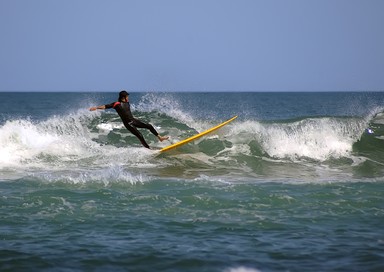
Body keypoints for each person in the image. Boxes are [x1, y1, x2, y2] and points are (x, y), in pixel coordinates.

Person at [89, 90, 168, 149]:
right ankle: (148, 149)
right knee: (140, 135)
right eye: (127, 96)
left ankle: (160, 138)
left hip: (133, 120)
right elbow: (106, 106)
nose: (128, 98)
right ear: (124, 97)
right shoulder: (116, 104)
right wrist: (96, 108)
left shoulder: (127, 103)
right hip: (128, 124)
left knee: (149, 126)